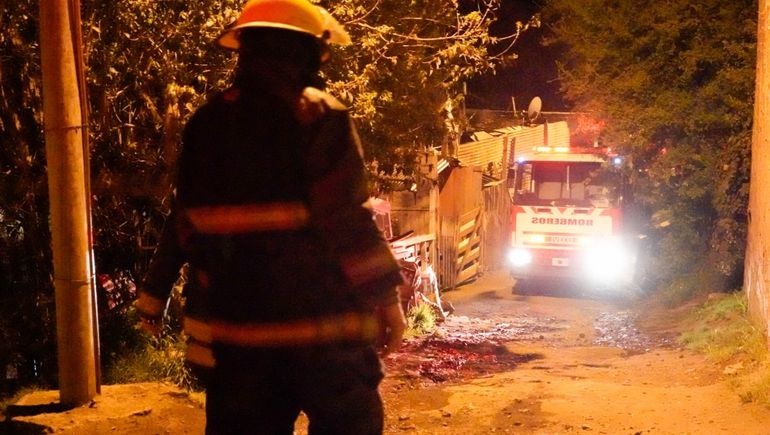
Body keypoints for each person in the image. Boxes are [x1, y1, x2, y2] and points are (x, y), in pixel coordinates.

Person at [133, 1, 407, 433]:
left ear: (247, 49)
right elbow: (347, 222)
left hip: (240, 341)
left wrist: (155, 291)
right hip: (325, 338)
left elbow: (187, 218)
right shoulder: (319, 114)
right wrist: (387, 299)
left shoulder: (208, 123)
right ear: (303, 51)